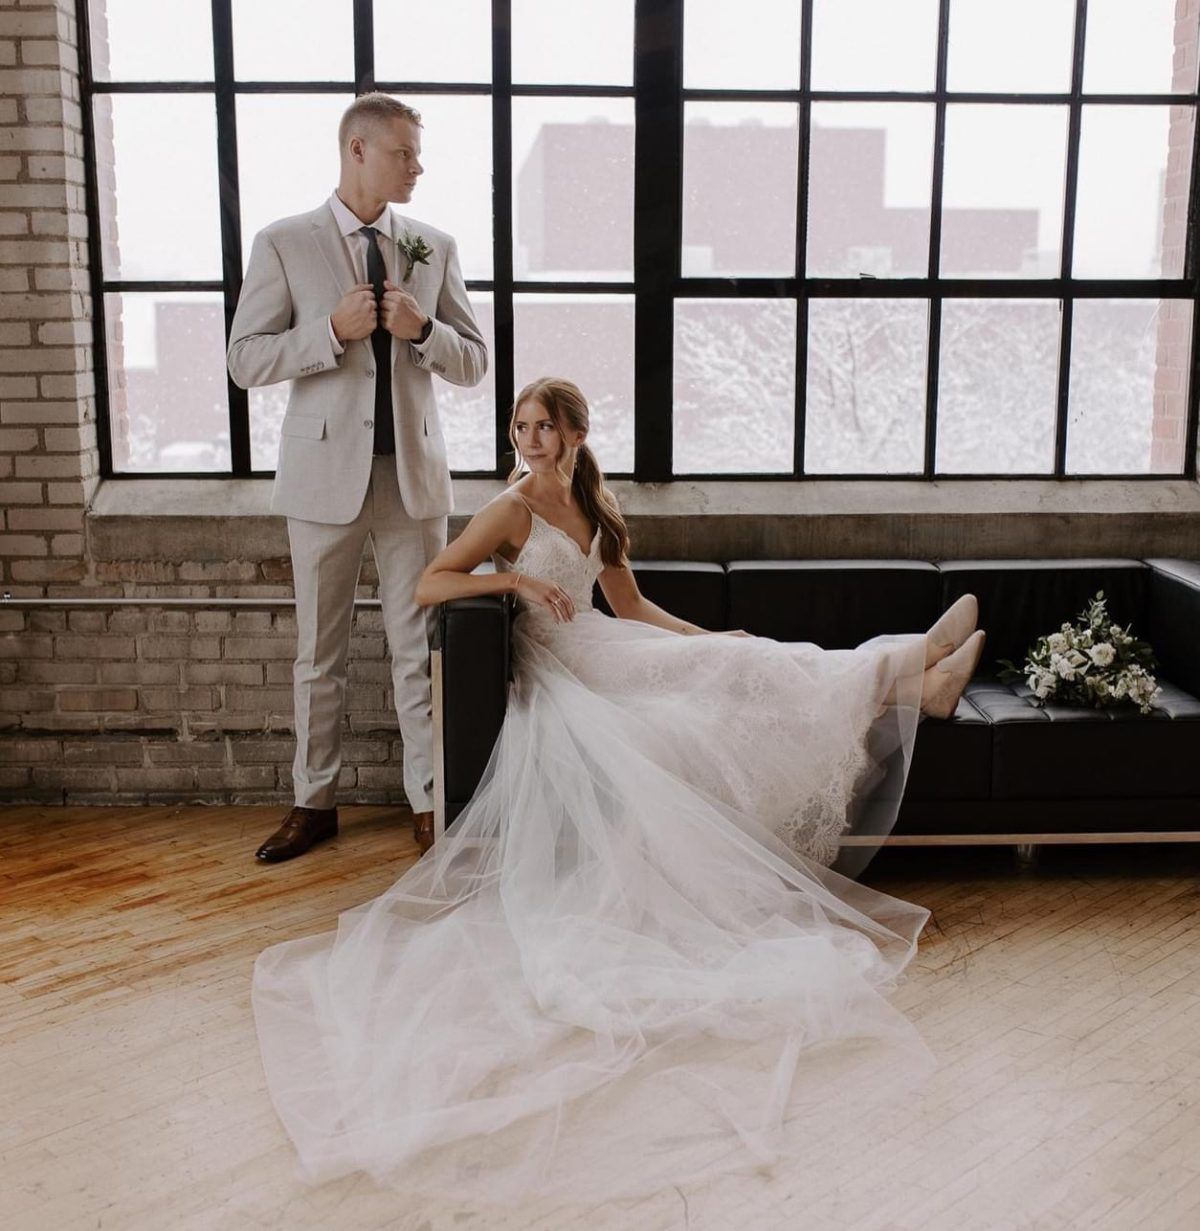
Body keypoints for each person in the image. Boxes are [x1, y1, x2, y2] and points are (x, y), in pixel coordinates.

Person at [252, 378, 985, 1204]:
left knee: (736, 666)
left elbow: (630, 604)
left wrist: (709, 640)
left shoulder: (593, 504)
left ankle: (908, 676)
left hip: (611, 646)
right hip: (564, 667)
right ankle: (908, 671)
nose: (527, 438)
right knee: (721, 686)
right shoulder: (512, 509)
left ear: (572, 433)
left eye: (541, 426)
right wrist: (517, 584)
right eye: (519, 425)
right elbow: (429, 583)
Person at [228, 93, 487, 863]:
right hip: (321, 477)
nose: (418, 166)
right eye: (405, 152)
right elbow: (245, 359)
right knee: (320, 652)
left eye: (418, 152)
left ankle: (429, 801)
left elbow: (474, 361)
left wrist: (424, 330)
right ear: (358, 151)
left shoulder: (433, 245)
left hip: (412, 478)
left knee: (418, 647)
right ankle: (314, 802)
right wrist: (328, 333)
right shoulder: (283, 243)